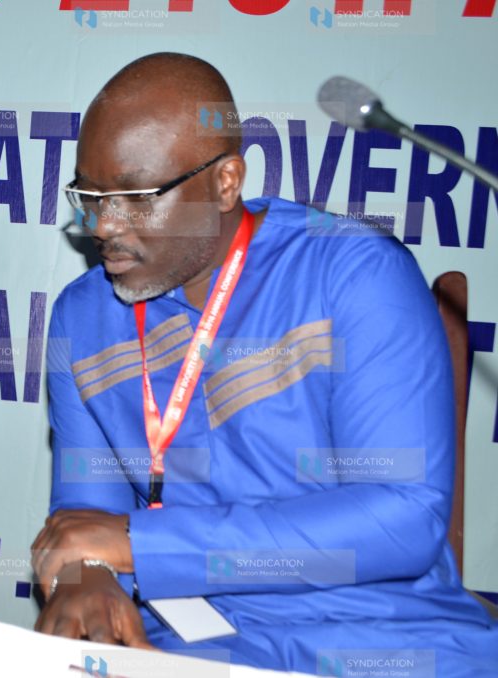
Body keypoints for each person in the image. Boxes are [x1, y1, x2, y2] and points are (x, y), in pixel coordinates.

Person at [32, 53, 498, 676]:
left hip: (379, 637)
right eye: (91, 197)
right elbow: (86, 524)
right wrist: (85, 576)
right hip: (190, 646)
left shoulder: (353, 273)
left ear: (226, 182)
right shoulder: (81, 319)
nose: (105, 227)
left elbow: (403, 519)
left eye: (137, 198)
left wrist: (141, 545)